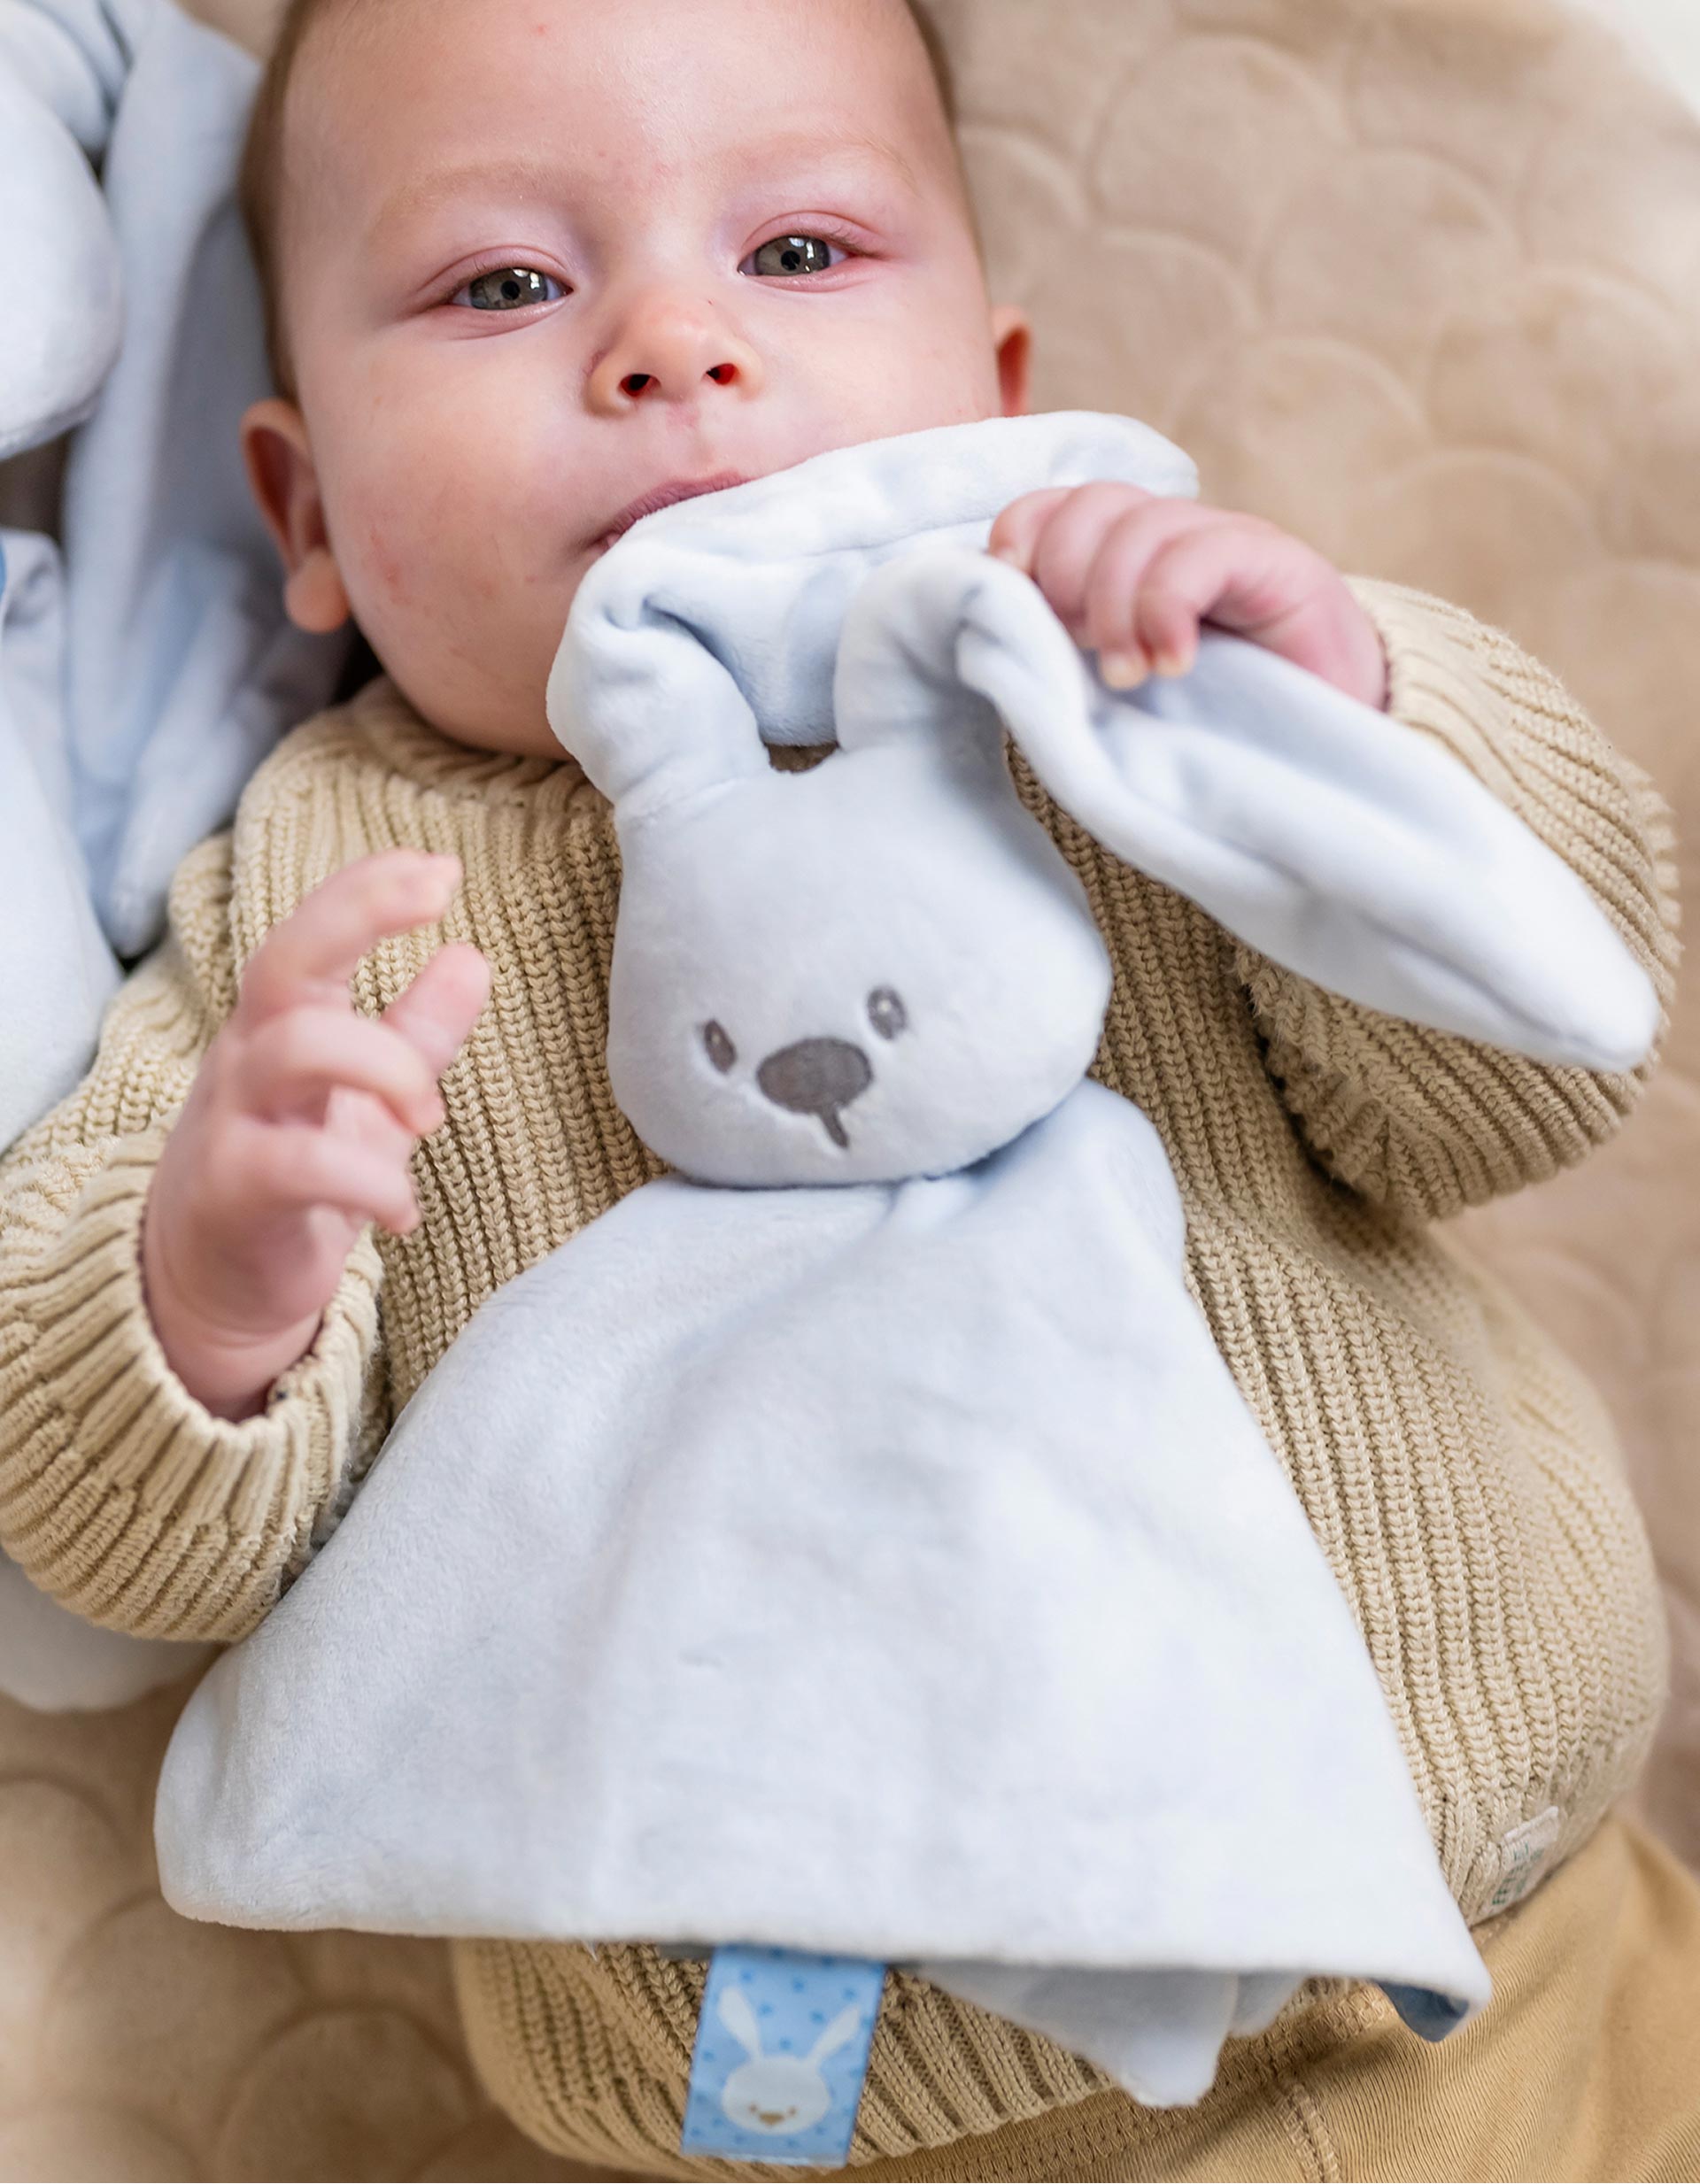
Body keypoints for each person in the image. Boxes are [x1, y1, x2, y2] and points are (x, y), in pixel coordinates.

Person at [2, 0, 1696, 2175]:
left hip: (1505, 1951)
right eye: (507, 284)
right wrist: (206, 1288)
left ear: (1001, 394)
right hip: (817, 2111)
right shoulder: (319, 903)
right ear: (308, 505)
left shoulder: (1099, 684)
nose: (671, 345)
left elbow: (1528, 1070)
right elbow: (113, 1546)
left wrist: (1345, 717)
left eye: (798, 253)